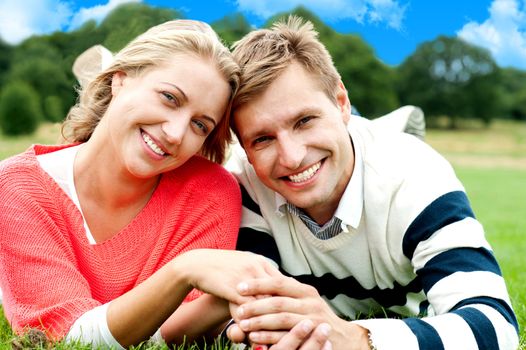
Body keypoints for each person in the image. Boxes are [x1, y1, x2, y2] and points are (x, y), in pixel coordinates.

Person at [224, 16, 519, 349]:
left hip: (388, 177)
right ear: (245, 148)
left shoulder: (417, 173)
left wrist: (357, 338)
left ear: (341, 102)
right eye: (262, 139)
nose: (291, 157)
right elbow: (249, 318)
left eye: (304, 120)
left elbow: (497, 328)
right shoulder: (242, 179)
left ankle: (382, 129)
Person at [0, 19, 280, 349]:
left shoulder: (209, 193)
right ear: (120, 80)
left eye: (199, 125)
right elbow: (64, 337)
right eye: (169, 98)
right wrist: (183, 271)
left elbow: (178, 332)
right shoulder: (18, 187)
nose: (176, 134)